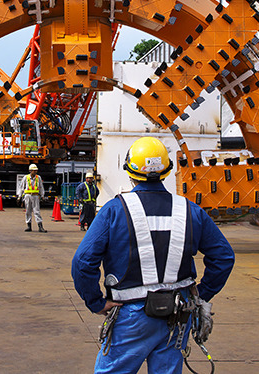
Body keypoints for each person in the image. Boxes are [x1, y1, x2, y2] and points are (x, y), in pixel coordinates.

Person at [71, 137, 235, 374]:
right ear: (166, 172)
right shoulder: (190, 210)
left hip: (130, 315)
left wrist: (96, 302)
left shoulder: (115, 210)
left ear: (130, 172)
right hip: (178, 313)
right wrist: (201, 293)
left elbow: (83, 262)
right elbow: (223, 257)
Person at [20, 163, 47, 233]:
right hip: (28, 195)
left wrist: (42, 196)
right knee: (28, 211)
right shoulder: (26, 177)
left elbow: (41, 187)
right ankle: (29, 226)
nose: (35, 172)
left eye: (36, 170)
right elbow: (21, 187)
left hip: (35, 196)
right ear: (30, 170)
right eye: (34, 170)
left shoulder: (38, 178)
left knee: (37, 211)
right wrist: (19, 196)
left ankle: (40, 227)